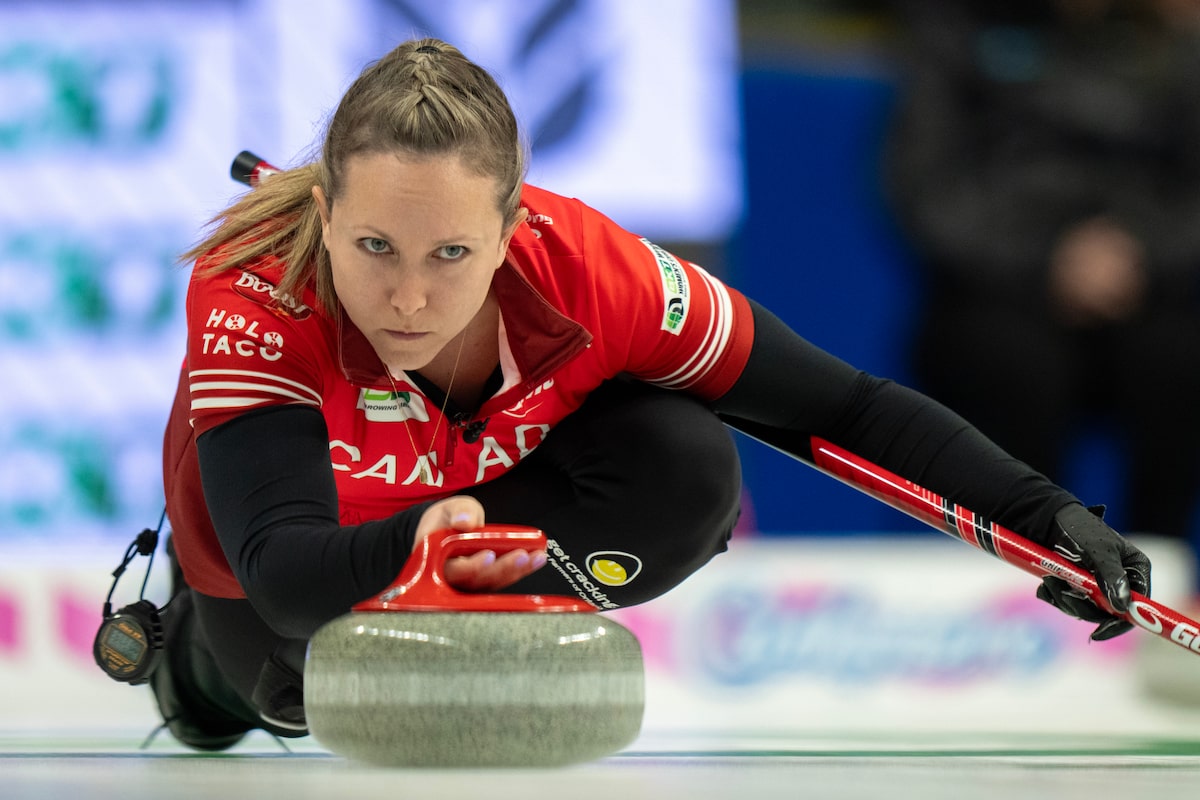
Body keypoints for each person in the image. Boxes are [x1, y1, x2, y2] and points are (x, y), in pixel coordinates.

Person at [145, 37, 1149, 750]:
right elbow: (282, 567)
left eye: (452, 252)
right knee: (284, 693)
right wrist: (422, 544)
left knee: (685, 461)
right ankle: (192, 656)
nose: (409, 297)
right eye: (374, 247)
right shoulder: (255, 283)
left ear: (512, 229)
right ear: (323, 216)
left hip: (467, 517)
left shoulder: (595, 271)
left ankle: (477, 605)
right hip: (299, 550)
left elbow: (844, 408)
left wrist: (1048, 513)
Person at [883, 0, 1200, 544]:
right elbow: (926, 191)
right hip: (998, 293)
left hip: (1143, 287)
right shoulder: (957, 33)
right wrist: (1045, 260)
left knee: (1181, 358)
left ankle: (1159, 577)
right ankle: (1027, 569)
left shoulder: (1174, 44)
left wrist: (1135, 253)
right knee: (1008, 364)